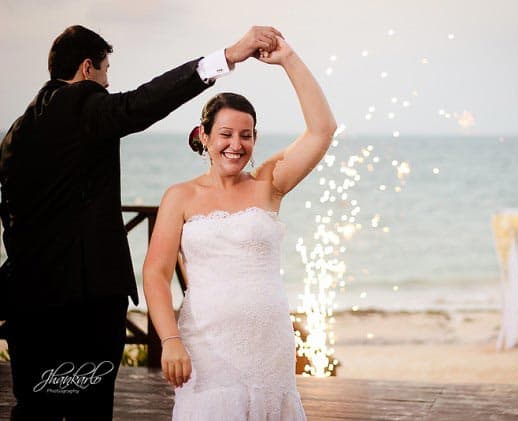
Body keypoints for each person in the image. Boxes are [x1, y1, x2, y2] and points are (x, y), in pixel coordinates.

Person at [0, 24, 282, 420]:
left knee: (33, 408)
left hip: (27, 300)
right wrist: (228, 56)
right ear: (86, 69)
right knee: (88, 409)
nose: (108, 82)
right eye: (105, 71)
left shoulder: (16, 131)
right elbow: (144, 102)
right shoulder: (84, 105)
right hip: (84, 305)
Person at [143, 35, 336, 420]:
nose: (236, 145)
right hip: (206, 349)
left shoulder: (269, 184)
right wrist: (170, 341)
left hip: (269, 348)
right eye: (226, 135)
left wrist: (289, 60)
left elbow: (322, 131)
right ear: (205, 137)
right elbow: (155, 273)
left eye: (245, 136)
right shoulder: (179, 197)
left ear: (254, 140)